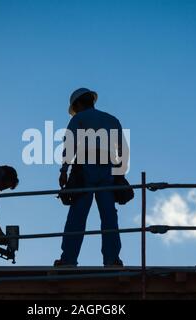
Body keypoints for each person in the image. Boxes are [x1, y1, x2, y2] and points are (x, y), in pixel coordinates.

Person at [55, 88, 129, 267]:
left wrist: (64, 170)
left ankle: (68, 260)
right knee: (109, 216)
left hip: (85, 168)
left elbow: (70, 144)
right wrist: (119, 174)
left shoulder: (78, 119)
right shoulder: (112, 120)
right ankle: (112, 260)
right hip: (108, 168)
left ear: (78, 104)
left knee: (77, 215)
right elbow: (123, 150)